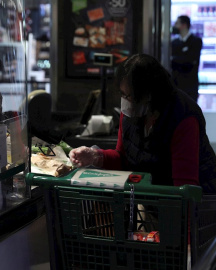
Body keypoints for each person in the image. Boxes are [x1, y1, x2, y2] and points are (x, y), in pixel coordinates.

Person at [69, 54, 216, 193]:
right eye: (122, 94)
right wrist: (95, 156)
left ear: (150, 94)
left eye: (130, 96)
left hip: (198, 202)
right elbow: (123, 158)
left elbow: (185, 188)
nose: (125, 101)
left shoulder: (182, 117)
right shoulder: (131, 112)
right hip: (156, 199)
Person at [171, 15, 202, 101]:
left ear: (184, 25)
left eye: (177, 23)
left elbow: (191, 61)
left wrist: (175, 59)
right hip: (177, 85)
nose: (174, 26)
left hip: (190, 85)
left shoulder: (196, 41)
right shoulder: (174, 43)